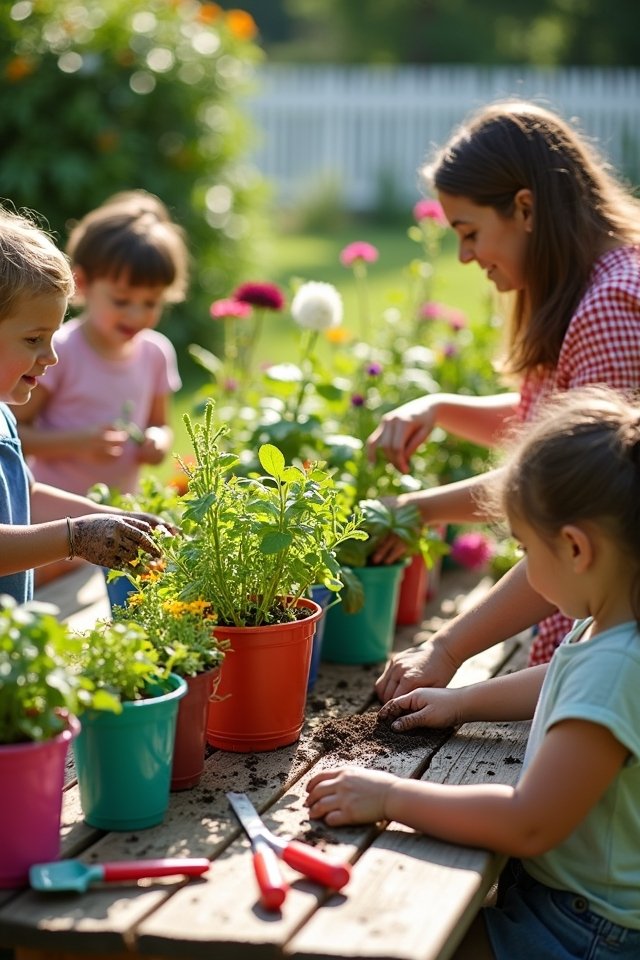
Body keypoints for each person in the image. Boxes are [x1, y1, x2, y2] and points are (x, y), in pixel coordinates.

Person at [307, 386, 640, 959]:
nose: (526, 571)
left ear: (576, 548)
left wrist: (389, 796)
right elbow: (564, 681)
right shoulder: (616, 626)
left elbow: (527, 824)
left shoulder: (618, 662)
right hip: (576, 903)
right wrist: (464, 701)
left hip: (584, 929)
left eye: (527, 551)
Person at [366, 99, 640, 692]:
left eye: (469, 232)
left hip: (599, 660)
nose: (466, 255)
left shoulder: (611, 306)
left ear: (524, 208)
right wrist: (439, 408)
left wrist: (445, 647)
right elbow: (546, 427)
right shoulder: (590, 286)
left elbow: (577, 498)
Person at [14, 190, 186, 587]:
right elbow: (15, 435)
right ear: (83, 283)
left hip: (119, 513)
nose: (137, 314)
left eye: (151, 302)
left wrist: (157, 441)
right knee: (44, 589)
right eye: (123, 300)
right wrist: (78, 442)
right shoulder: (60, 352)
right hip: (53, 523)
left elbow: (161, 423)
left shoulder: (156, 353)